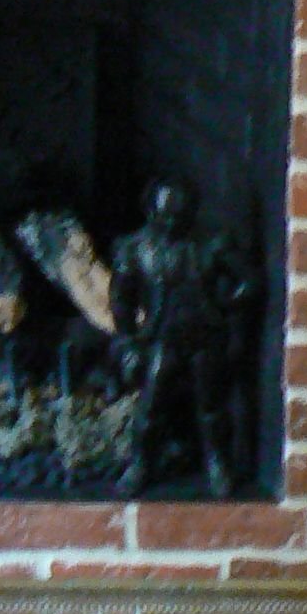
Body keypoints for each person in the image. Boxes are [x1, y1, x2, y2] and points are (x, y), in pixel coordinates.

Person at [109, 179, 259, 496]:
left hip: (205, 338)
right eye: (165, 216)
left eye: (180, 216)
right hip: (162, 340)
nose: (172, 224)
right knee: (150, 407)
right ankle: (141, 464)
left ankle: (218, 463)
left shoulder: (212, 244)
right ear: (151, 212)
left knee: (211, 407)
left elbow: (249, 281)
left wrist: (224, 306)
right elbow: (121, 301)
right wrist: (128, 342)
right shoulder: (134, 249)